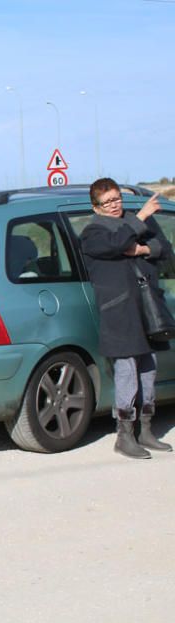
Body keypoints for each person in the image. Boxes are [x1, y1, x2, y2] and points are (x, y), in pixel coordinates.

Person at [79, 178, 173, 459]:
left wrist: (141, 249)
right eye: (107, 202)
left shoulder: (132, 223)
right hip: (118, 310)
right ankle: (124, 434)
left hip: (146, 308)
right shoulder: (92, 233)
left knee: (149, 367)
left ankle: (146, 429)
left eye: (116, 199)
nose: (113, 205)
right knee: (127, 370)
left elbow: (163, 249)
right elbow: (115, 244)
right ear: (95, 207)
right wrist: (141, 218)